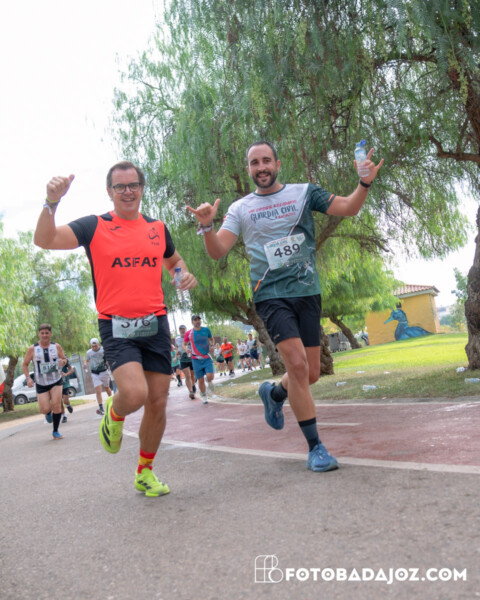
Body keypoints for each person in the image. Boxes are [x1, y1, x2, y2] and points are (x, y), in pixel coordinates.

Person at [188, 140, 383, 472]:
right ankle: (315, 447)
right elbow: (218, 250)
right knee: (296, 365)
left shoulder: (304, 193)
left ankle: (275, 394)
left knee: (310, 373)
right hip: (270, 295)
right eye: (254, 163)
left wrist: (364, 183)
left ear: (277, 164)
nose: (261, 167)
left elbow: (349, 207)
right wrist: (207, 226)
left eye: (266, 160)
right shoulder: (240, 208)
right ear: (248, 170)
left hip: (307, 292)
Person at [34, 161, 197, 497]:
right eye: (120, 186)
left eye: (133, 185)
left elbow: (174, 261)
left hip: (155, 322)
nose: (127, 191)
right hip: (116, 324)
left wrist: (182, 276)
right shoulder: (94, 226)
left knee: (158, 401)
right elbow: (44, 239)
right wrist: (51, 202)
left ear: (142, 188)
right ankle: (114, 409)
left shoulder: (157, 228)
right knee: (135, 394)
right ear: (109, 191)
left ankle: (145, 472)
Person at [22, 323, 68, 440]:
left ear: (50, 334)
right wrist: (28, 378)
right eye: (42, 333)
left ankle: (55, 431)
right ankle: (47, 413)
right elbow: (25, 364)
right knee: (44, 409)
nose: (44, 335)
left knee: (57, 406)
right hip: (41, 383)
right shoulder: (32, 349)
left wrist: (62, 362)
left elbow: (64, 359)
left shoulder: (56, 346)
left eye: (47, 333)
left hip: (56, 380)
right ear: (39, 334)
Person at [184, 315, 214, 404]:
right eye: (195, 320)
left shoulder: (206, 330)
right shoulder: (189, 333)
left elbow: (211, 339)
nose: (197, 321)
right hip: (195, 359)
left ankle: (209, 381)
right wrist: (186, 349)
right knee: (200, 380)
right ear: (192, 322)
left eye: (199, 320)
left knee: (210, 376)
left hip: (206, 357)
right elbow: (184, 344)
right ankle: (204, 395)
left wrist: (212, 345)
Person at [84, 338, 112, 415]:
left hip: (104, 371)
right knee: (98, 390)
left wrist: (109, 365)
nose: (94, 348)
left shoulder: (103, 350)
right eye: (92, 346)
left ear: (98, 344)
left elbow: (107, 359)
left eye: (95, 346)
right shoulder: (89, 352)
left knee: (107, 388)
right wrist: (85, 364)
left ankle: (112, 402)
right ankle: (101, 407)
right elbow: (87, 360)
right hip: (95, 373)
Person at [175, 325, 197, 399]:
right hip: (182, 358)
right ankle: (190, 391)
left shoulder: (190, 337)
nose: (182, 330)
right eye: (181, 329)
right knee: (187, 375)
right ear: (179, 330)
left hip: (191, 357)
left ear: (186, 329)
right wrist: (177, 352)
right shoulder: (177, 338)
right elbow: (177, 347)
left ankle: (193, 385)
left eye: (183, 329)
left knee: (192, 374)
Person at [61, 357, 75, 423]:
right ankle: (64, 416)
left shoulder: (64, 360)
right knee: (59, 402)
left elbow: (71, 370)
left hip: (65, 384)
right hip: (56, 385)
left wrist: (66, 374)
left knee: (65, 401)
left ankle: (68, 405)